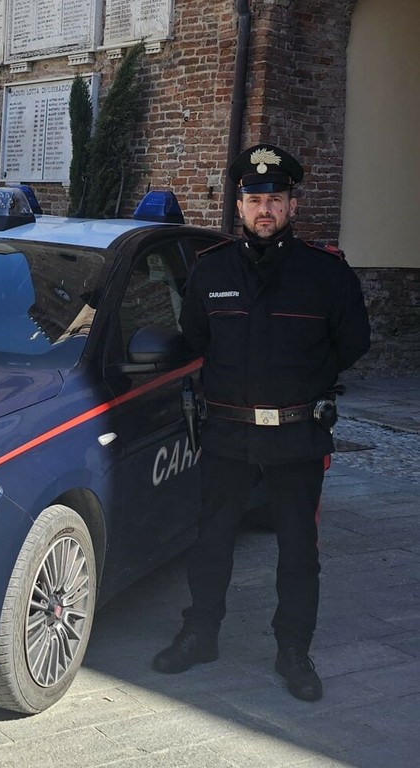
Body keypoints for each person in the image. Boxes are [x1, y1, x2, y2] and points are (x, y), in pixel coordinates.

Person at [152, 143, 371, 701]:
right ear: (240, 206)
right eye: (254, 199)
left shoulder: (326, 273)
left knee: (299, 550)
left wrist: (302, 382)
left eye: (275, 199)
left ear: (293, 205)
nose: (264, 209)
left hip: (298, 434)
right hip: (228, 432)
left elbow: (353, 343)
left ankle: (293, 649)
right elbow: (196, 337)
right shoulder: (211, 270)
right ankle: (201, 634)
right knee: (212, 541)